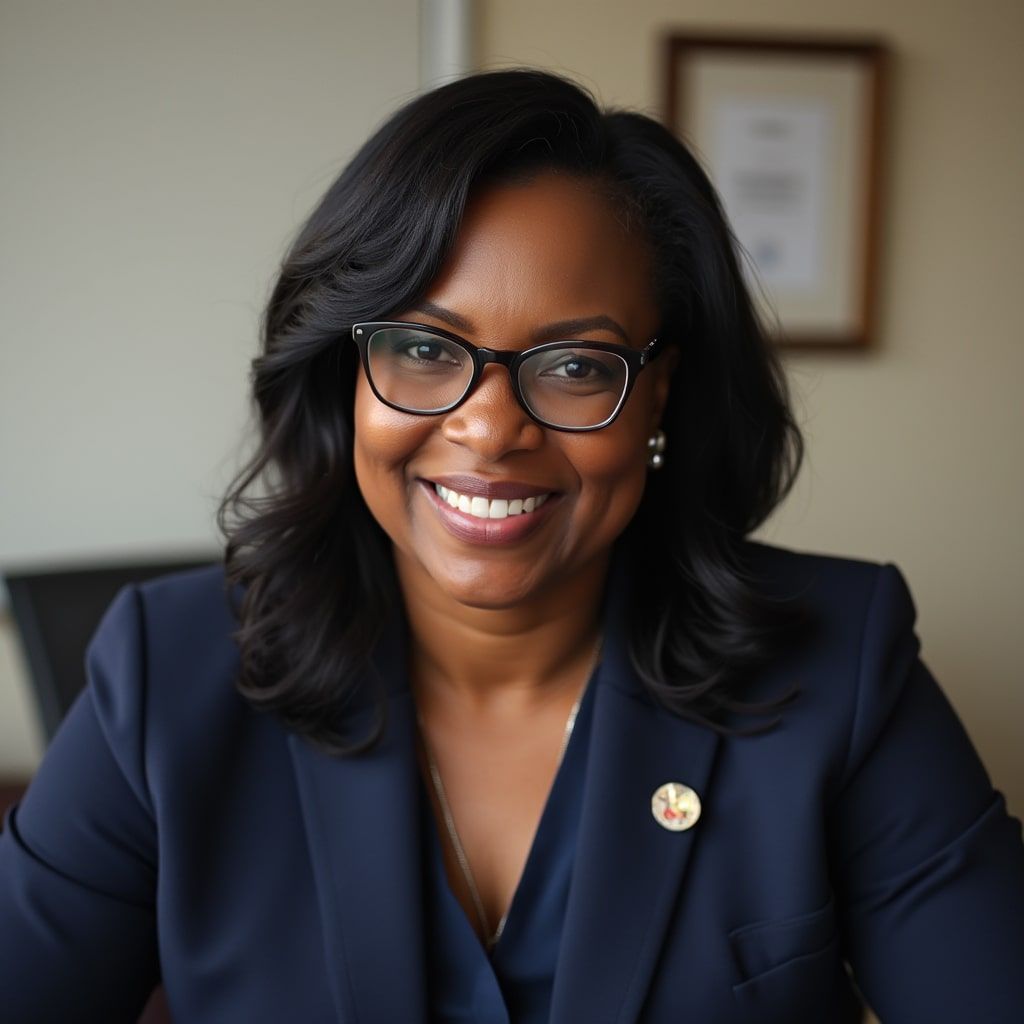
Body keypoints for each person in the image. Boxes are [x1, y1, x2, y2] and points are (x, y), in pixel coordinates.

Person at [1, 68, 1022, 1024]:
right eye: (422, 347)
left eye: (575, 363)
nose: (491, 429)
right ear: (346, 373)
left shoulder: (840, 666)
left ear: (658, 391)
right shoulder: (163, 673)